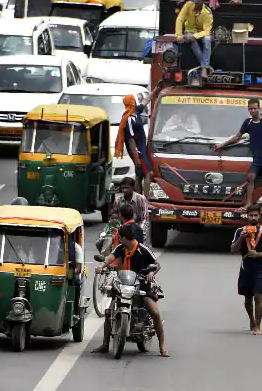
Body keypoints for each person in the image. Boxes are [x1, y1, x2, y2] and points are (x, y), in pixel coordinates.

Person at [93, 224, 169, 357]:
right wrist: (102, 266)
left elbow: (157, 264)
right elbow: (110, 257)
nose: (118, 239)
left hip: (141, 283)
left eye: (119, 237)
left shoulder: (143, 249)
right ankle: (105, 344)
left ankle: (162, 345)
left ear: (124, 238)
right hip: (123, 283)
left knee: (155, 313)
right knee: (109, 312)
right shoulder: (120, 248)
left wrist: (151, 273)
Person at [230, 206, 262, 335]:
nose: (253, 218)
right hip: (245, 268)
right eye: (251, 215)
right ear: (247, 216)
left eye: (256, 215)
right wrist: (242, 238)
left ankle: (258, 327)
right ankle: (251, 319)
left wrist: (258, 255)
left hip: (259, 268)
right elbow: (233, 249)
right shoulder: (240, 231)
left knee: (258, 296)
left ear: (260, 216)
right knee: (248, 297)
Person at [115, 95, 153, 198]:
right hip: (137, 151)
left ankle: (138, 200)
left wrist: (156, 90)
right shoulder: (128, 119)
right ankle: (145, 200)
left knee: (139, 175)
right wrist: (136, 157)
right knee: (149, 173)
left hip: (141, 148)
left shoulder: (136, 112)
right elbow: (131, 140)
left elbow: (146, 101)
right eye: (133, 101)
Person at [175, 0, 214, 78]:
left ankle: (204, 68)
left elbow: (207, 31)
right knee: (190, 39)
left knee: (207, 39)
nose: (195, 0)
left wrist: (195, 36)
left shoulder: (207, 13)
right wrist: (179, 35)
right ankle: (206, 67)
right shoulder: (188, 5)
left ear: (203, 0)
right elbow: (180, 19)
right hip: (189, 32)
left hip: (202, 34)